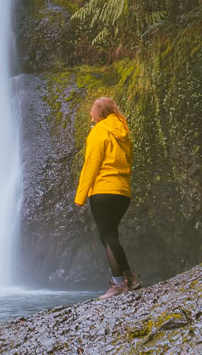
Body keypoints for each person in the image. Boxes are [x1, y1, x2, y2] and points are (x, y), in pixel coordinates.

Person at [74, 96, 141, 299]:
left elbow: (91, 164)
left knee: (109, 236)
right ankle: (131, 278)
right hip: (122, 192)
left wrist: (80, 196)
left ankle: (119, 284)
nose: (90, 114)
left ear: (99, 114)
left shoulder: (99, 132)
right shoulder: (124, 134)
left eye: (92, 111)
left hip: (103, 191)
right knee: (108, 235)